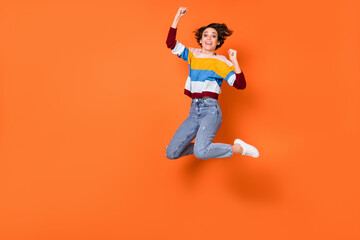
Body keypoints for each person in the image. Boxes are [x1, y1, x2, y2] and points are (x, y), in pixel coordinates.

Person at [165, 7, 259, 160]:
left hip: (210, 111)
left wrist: (235, 62)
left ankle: (239, 148)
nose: (209, 38)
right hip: (194, 111)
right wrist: (177, 17)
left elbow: (240, 85)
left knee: (201, 153)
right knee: (171, 153)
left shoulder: (221, 62)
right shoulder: (193, 55)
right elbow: (171, 43)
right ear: (201, 40)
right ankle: (203, 146)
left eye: (213, 36)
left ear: (218, 42)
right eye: (205, 35)